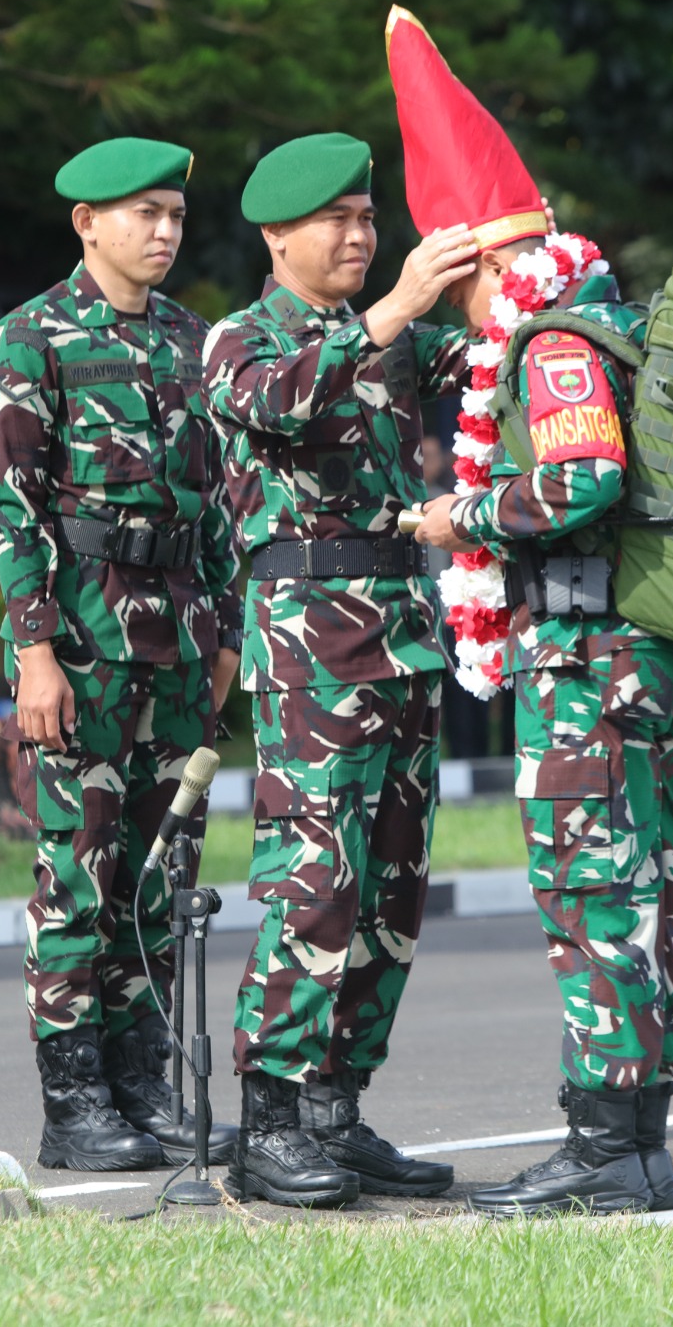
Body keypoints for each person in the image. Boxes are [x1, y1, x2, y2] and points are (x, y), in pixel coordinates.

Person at [398, 7, 673, 1217]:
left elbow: (580, 481)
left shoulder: (553, 347)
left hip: (594, 661)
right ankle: (630, 1139)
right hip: (628, 656)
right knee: (647, 884)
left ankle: (607, 1145)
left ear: (481, 260)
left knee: (596, 890)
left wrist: (462, 513)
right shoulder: (598, 326)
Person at [200, 131, 480, 1209]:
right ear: (277, 236)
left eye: (369, 217)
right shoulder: (239, 340)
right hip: (310, 640)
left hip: (403, 627)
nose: (362, 235)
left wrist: (521, 273)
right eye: (338, 221)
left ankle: (335, 1108)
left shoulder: (397, 334)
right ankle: (268, 1117)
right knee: (312, 877)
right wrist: (395, 310)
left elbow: (493, 361)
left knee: (392, 884)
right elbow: (283, 404)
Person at [0, 137, 244, 1173]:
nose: (165, 231)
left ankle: (143, 1079)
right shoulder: (31, 337)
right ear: (86, 222)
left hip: (179, 645)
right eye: (143, 212)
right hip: (85, 643)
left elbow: (220, 505)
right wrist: (35, 650)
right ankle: (74, 1098)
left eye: (175, 213)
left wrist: (222, 634)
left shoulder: (194, 340)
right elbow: (14, 508)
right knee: (78, 871)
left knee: (158, 870)